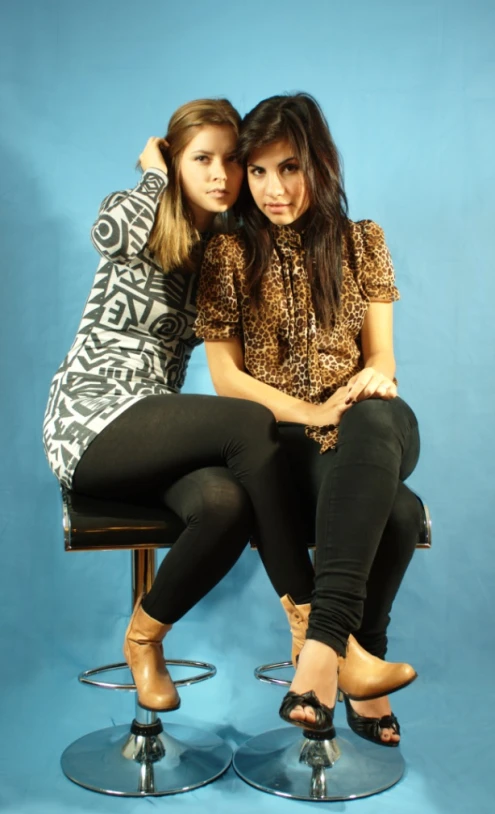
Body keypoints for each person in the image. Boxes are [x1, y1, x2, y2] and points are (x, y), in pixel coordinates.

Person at [42, 97, 331, 715]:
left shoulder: (221, 252)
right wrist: (154, 170)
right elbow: (108, 234)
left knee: (225, 503)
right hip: (91, 417)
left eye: (231, 160)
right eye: (201, 159)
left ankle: (144, 637)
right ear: (177, 161)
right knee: (249, 425)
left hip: (155, 425)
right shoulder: (137, 211)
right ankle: (310, 627)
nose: (220, 175)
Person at [195, 93, 423, 746]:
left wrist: (372, 378)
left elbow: (380, 353)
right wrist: (312, 410)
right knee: (400, 513)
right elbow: (226, 379)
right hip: (279, 450)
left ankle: (320, 655)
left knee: (375, 416)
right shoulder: (228, 255)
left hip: (363, 432)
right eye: (258, 171)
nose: (271, 188)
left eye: (288, 168)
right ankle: (363, 663)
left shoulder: (361, 241)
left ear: (318, 164)